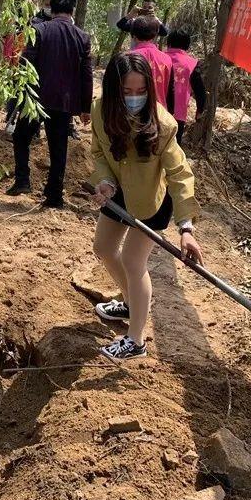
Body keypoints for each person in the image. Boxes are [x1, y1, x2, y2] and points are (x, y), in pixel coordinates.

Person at [89, 53, 203, 362]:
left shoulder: (162, 124)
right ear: (113, 90)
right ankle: (130, 303)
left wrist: (186, 227)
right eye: (127, 92)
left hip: (152, 198)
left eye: (141, 91)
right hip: (117, 191)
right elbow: (98, 151)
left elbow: (180, 174)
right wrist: (104, 181)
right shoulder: (100, 110)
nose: (135, 98)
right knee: (103, 247)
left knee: (132, 260)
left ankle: (136, 340)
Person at [5, 0, 92, 208]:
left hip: (36, 99)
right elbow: (86, 74)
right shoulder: (82, 37)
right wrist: (85, 107)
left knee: (22, 137)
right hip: (63, 103)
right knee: (58, 147)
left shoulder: (39, 30)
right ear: (72, 10)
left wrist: (18, 98)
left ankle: (23, 180)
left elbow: (26, 64)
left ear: (50, 9)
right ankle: (54, 195)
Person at [165, 29, 207, 145]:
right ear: (187, 46)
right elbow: (200, 90)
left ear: (168, 43)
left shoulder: (159, 58)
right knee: (173, 146)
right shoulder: (191, 63)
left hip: (155, 109)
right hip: (178, 112)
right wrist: (200, 110)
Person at [127, 15, 175, 111]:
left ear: (133, 36)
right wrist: (169, 115)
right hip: (159, 115)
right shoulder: (166, 59)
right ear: (154, 36)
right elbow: (171, 91)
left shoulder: (127, 58)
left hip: (132, 114)